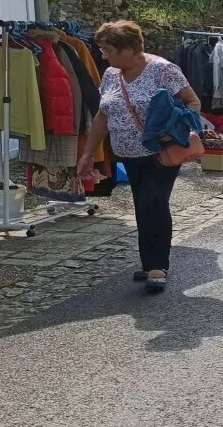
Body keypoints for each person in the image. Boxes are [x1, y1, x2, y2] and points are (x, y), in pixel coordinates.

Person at [75, 21, 202, 293]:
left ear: (129, 48)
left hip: (160, 152)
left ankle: (158, 266)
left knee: (153, 201)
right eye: (102, 50)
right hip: (127, 154)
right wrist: (88, 153)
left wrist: (172, 129)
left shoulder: (163, 70)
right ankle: (148, 263)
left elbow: (193, 102)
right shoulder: (111, 75)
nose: (103, 55)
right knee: (142, 206)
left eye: (108, 49)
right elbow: (102, 115)